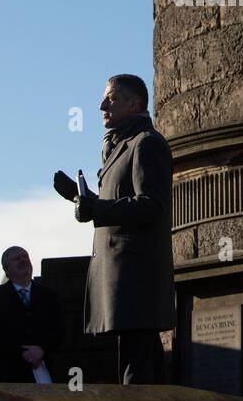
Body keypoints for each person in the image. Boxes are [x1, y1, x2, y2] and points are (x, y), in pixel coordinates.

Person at [53, 74, 174, 384]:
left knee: (137, 372)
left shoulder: (147, 144)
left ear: (134, 104)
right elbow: (118, 205)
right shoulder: (120, 145)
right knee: (145, 367)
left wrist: (97, 208)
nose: (101, 105)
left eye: (111, 98)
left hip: (136, 279)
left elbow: (152, 205)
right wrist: (80, 199)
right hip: (121, 278)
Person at [0, 246, 64, 383]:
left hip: (45, 370)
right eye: (17, 259)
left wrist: (42, 350)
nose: (23, 260)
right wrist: (23, 353)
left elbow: (59, 330)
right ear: (6, 269)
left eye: (25, 257)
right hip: (9, 374)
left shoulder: (49, 295)